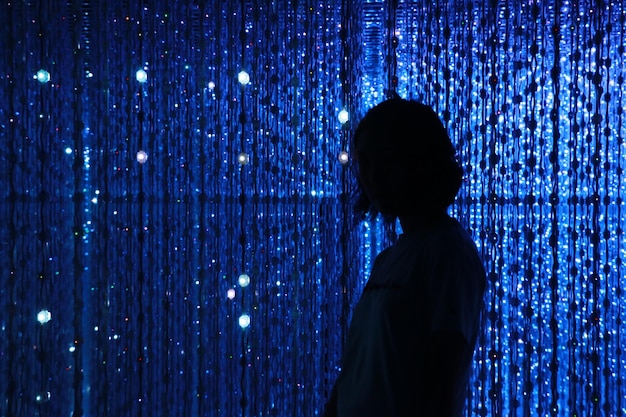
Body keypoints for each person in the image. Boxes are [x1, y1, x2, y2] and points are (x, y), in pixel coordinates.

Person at [323, 97, 487, 417]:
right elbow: (360, 371)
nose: (372, 178)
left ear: (419, 161)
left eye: (386, 161)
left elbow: (443, 374)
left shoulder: (447, 252)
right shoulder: (389, 260)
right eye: (364, 164)